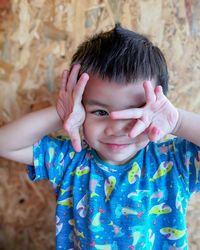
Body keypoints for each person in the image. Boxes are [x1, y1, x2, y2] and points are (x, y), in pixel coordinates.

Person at [0, 24, 199, 250]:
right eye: (100, 112)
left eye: (134, 113)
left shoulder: (174, 162)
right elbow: (4, 144)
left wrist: (178, 122)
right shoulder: (70, 160)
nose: (116, 128)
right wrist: (61, 115)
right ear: (80, 109)